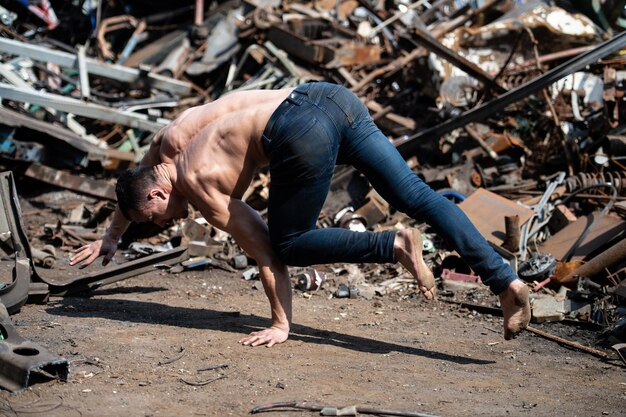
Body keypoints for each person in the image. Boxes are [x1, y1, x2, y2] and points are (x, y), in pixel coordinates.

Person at [70, 81, 530, 347]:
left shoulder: (196, 182)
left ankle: (393, 244)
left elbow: (267, 254)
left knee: (289, 240)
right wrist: (114, 237)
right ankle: (505, 281)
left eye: (154, 218)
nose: (164, 224)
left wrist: (280, 323)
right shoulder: (175, 136)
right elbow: (134, 188)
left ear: (155, 194)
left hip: (298, 129)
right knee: (416, 194)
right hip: (329, 97)